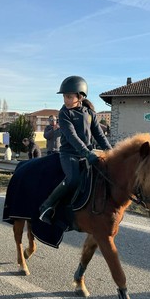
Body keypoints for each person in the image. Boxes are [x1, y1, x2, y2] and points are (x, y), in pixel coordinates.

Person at [39, 76, 112, 224]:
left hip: (87, 153)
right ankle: (47, 206)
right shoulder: (64, 113)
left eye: (69, 96)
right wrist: (86, 153)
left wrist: (112, 152)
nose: (65, 100)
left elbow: (99, 135)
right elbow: (71, 136)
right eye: (65, 96)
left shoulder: (90, 113)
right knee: (73, 180)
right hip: (69, 154)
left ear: (80, 96)